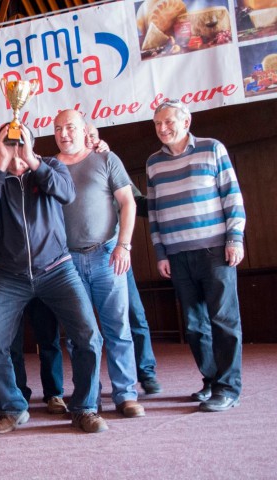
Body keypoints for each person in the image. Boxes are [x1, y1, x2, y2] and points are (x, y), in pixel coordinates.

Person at [0, 123, 107, 435]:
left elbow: (67, 193)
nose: (15, 148)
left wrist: (33, 160)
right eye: (8, 143)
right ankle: (12, 407)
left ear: (32, 145)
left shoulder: (50, 167)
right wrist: (1, 164)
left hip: (58, 269)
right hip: (10, 276)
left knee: (88, 335)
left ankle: (85, 408)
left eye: (21, 142)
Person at [147, 99, 245, 412]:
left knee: (223, 320)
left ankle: (228, 388)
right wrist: (160, 252)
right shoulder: (153, 163)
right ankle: (212, 381)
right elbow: (154, 213)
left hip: (215, 250)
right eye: (158, 124)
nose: (163, 129)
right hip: (177, 255)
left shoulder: (212, 148)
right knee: (193, 326)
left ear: (186, 122)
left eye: (169, 122)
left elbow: (232, 197)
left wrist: (235, 238)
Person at [55, 110, 144, 418]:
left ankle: (126, 395)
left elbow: (128, 202)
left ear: (84, 131)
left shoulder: (106, 159)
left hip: (108, 256)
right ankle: (88, 395)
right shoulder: (50, 167)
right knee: (77, 335)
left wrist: (124, 245)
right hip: (67, 263)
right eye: (58, 129)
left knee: (118, 328)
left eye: (70, 127)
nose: (64, 133)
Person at [88, 124, 163, 395]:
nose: (90, 141)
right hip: (79, 257)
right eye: (85, 136)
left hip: (115, 254)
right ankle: (89, 388)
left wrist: (166, 203)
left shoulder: (110, 163)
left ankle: (146, 372)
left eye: (93, 136)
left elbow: (137, 201)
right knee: (84, 327)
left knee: (134, 316)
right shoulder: (67, 167)